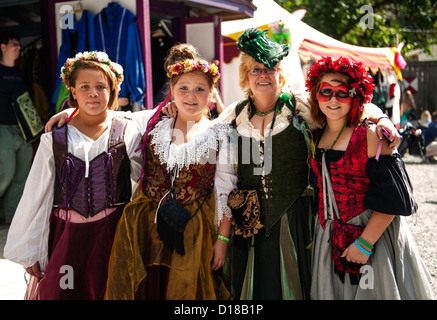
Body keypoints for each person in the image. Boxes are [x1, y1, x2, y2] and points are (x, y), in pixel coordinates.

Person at [216, 28, 400, 300]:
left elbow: (343, 108)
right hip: (248, 230)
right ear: (245, 75)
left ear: (281, 73)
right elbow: (224, 180)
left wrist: (381, 118)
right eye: (256, 69)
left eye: (271, 68)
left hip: (296, 224)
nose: (263, 75)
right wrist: (222, 239)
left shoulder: (301, 109)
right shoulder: (233, 117)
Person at [4, 51, 143, 299]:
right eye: (85, 86)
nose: (93, 93)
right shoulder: (54, 139)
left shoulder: (128, 129)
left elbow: (159, 118)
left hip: (114, 236)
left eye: (101, 86)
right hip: (67, 236)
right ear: (73, 91)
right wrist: (30, 249)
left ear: (112, 90)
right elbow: (37, 194)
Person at [102, 46, 237, 299]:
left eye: (200, 89)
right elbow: (107, 118)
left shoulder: (220, 135)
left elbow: (226, 192)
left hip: (194, 232)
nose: (191, 96)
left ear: (211, 94)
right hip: (145, 226)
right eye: (183, 88)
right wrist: (69, 112)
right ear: (171, 92)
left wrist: (222, 240)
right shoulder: (154, 124)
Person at [307, 56, 434, 299]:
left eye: (342, 92)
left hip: (372, 235)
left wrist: (365, 243)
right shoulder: (314, 132)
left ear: (355, 95)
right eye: (326, 91)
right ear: (315, 94)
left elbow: (394, 198)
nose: (333, 99)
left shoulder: (372, 135)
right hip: (328, 236)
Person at [0, 33, 33, 224]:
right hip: (3, 131)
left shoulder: (21, 73)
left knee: (21, 178)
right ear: (2, 47)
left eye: (19, 45)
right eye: (14, 44)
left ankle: (13, 221)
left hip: (24, 132)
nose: (18, 48)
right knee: (5, 175)